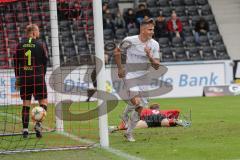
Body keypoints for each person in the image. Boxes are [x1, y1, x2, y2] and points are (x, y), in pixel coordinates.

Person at [114, 18, 160, 142]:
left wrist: (149, 56)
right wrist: (120, 68)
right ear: (143, 30)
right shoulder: (129, 41)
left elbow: (156, 65)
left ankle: (129, 132)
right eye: (150, 29)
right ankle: (125, 116)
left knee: (140, 109)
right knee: (137, 102)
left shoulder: (154, 44)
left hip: (144, 77)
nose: (152, 32)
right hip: (130, 75)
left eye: (153, 29)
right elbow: (117, 52)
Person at [14, 24, 48, 138]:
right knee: (43, 102)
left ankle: (24, 130)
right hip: (38, 76)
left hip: (24, 77)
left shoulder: (19, 45)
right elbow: (45, 62)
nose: (39, 33)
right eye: (38, 31)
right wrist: (42, 75)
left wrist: (18, 77)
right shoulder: (40, 44)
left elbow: (16, 63)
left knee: (26, 103)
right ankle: (38, 124)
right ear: (33, 32)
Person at [109, 103, 191, 133]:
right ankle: (179, 122)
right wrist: (175, 117)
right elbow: (176, 111)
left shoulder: (145, 111)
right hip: (160, 118)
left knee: (131, 125)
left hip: (149, 119)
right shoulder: (161, 112)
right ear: (157, 109)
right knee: (170, 121)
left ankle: (114, 128)